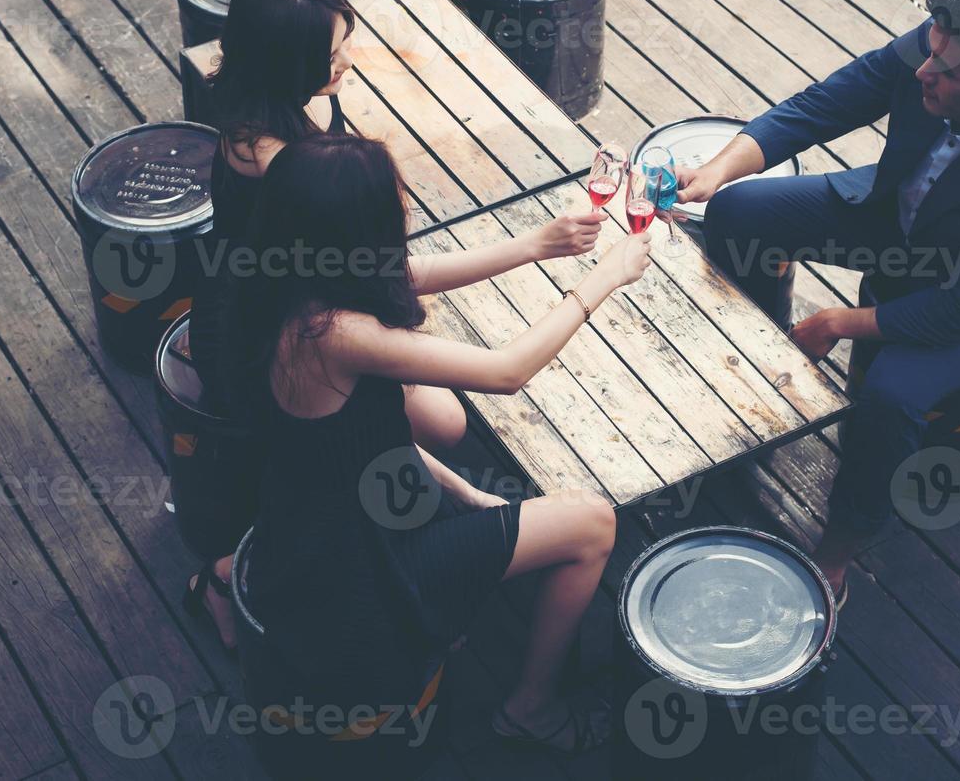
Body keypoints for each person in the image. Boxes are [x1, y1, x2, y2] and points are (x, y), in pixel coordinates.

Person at [180, 0, 607, 651]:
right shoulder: (273, 163)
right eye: (331, 55)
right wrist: (558, 261)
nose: (347, 61)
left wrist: (535, 243)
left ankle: (374, 519)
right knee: (439, 422)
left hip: (308, 301)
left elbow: (372, 268)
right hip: (248, 333)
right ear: (287, 64)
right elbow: (406, 283)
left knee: (435, 421)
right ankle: (246, 574)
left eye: (344, 42)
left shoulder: (295, 119)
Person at [226, 133, 652, 753]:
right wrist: (602, 281)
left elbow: (358, 443)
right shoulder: (335, 332)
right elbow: (507, 372)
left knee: (479, 484)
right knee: (594, 524)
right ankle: (530, 707)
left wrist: (539, 243)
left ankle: (466, 589)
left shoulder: (282, 286)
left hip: (318, 526)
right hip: (370, 570)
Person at [674, 0, 960, 606]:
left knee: (892, 394)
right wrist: (718, 169)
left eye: (947, 75)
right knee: (736, 211)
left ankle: (840, 545)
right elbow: (828, 103)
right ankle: (762, 360)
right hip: (905, 208)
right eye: (932, 49)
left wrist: (836, 322)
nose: (924, 70)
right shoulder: (941, 45)